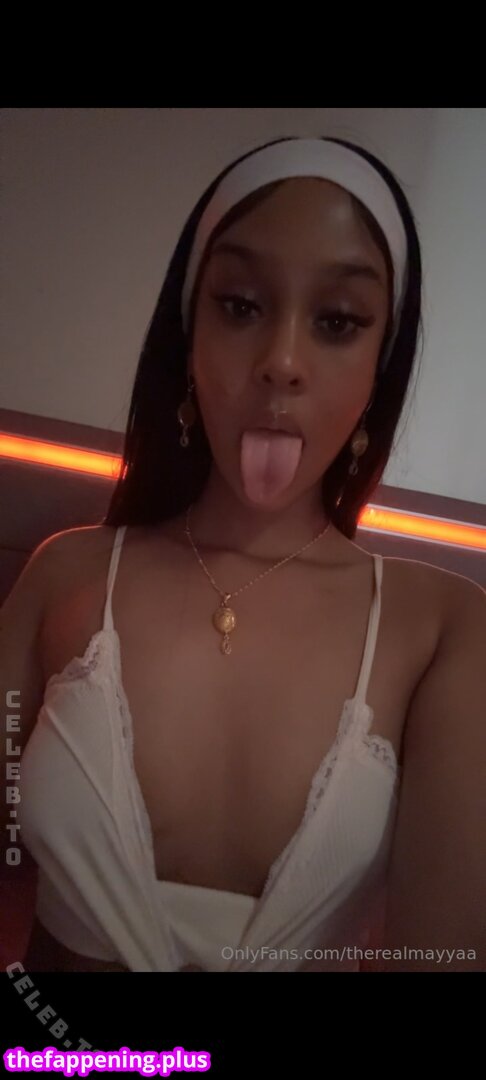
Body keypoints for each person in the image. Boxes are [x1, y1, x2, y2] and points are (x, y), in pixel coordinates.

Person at [2, 136, 485, 972]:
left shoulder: (445, 628)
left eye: (338, 322)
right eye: (240, 305)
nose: (282, 363)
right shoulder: (66, 574)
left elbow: (441, 955)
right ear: (188, 335)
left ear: (380, 366)